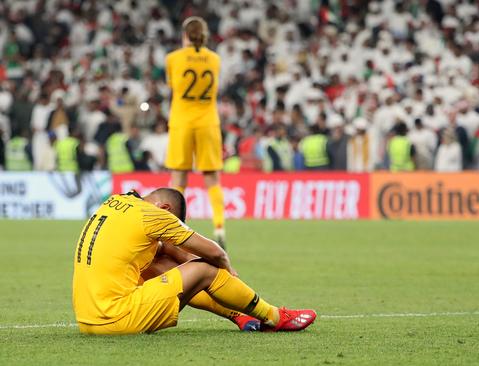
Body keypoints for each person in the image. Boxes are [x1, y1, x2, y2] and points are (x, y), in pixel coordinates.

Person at [72, 188, 317, 335]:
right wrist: (227, 269)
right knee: (206, 268)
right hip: (117, 319)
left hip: (88, 319)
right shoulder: (154, 215)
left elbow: (168, 251)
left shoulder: (115, 202)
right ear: (164, 208)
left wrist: (174, 253)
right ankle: (273, 317)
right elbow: (215, 252)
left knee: (160, 261)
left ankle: (240, 315)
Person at [165, 16, 227, 245]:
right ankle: (219, 228)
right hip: (208, 121)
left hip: (182, 121)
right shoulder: (215, 59)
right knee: (212, 179)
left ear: (184, 35)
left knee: (179, 177)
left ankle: (174, 228)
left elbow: (173, 87)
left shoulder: (173, 59)